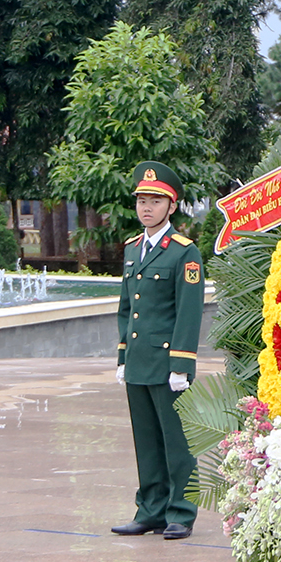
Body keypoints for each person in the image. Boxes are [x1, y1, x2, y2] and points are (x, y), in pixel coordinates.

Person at [112, 161, 205, 541]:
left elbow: (189, 311)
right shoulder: (133, 249)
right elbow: (125, 307)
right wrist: (122, 356)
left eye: (155, 201)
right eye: (141, 201)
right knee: (146, 441)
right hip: (139, 361)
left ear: (171, 206)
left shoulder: (184, 253)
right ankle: (150, 509)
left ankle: (180, 512)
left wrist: (181, 364)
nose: (146, 208)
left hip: (169, 365)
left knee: (176, 442)